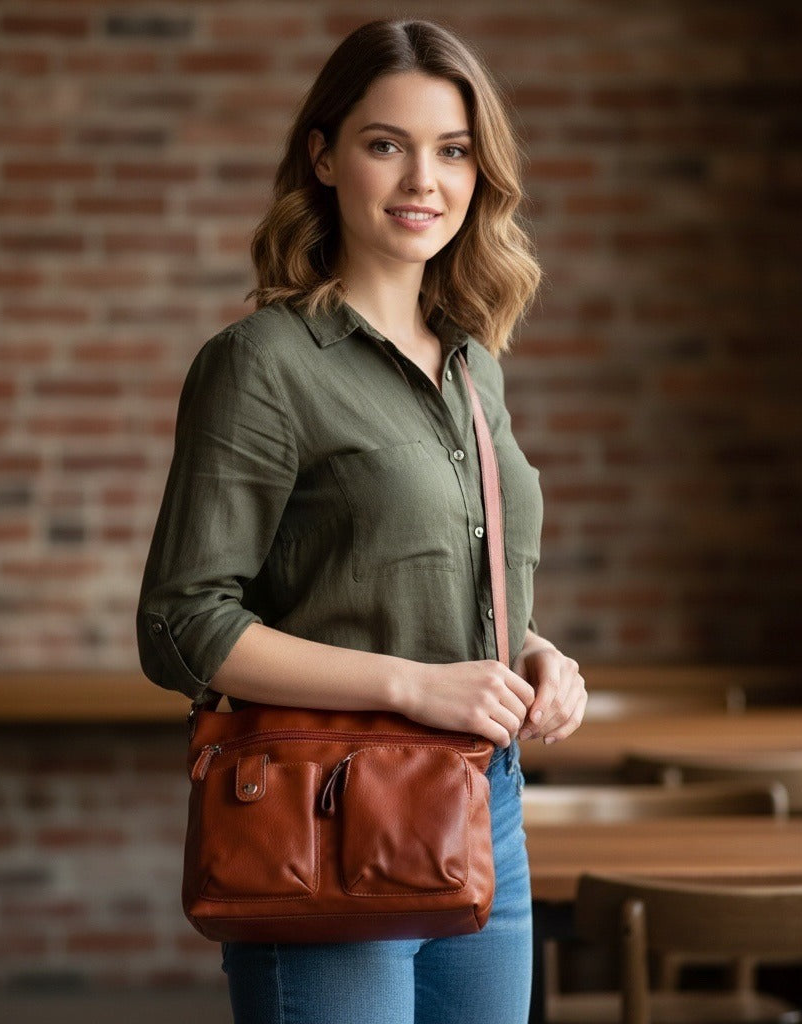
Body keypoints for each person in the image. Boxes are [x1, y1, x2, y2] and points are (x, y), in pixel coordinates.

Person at [136, 18, 587, 1024]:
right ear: (324, 155)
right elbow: (182, 624)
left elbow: (421, 578)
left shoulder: (474, 363)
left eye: (454, 149)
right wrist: (415, 686)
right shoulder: (263, 363)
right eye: (387, 143)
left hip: (485, 807)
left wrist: (532, 656)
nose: (422, 179)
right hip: (328, 808)